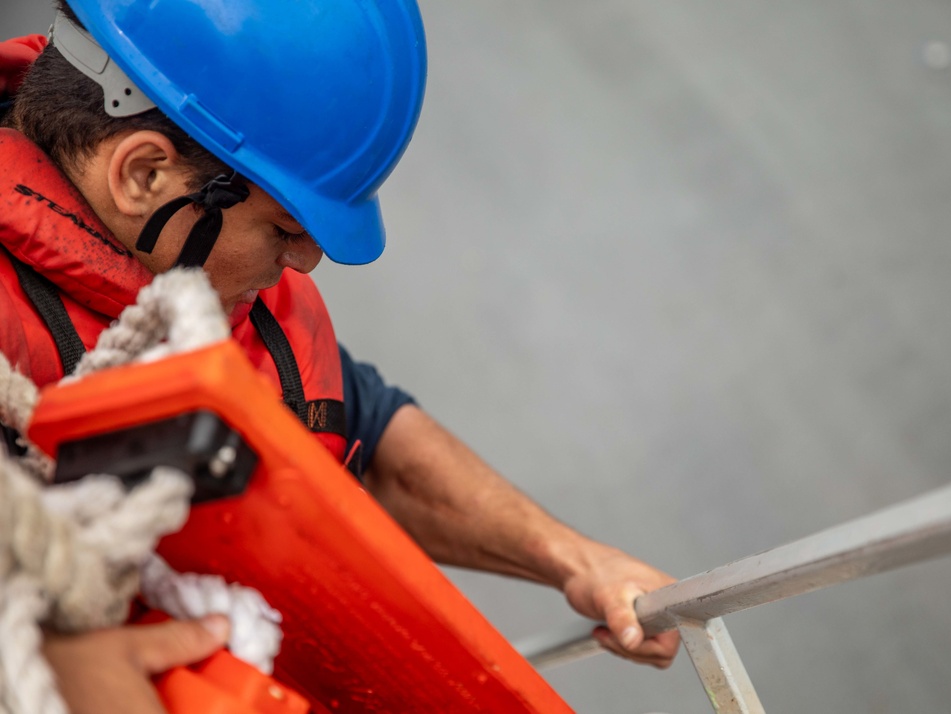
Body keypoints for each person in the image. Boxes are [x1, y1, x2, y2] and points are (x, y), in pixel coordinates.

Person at [0, 1, 680, 711]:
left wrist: (575, 561)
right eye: (285, 227)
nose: (307, 261)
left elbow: (364, 427)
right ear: (143, 176)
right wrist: (56, 668)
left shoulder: (205, 283)